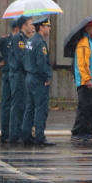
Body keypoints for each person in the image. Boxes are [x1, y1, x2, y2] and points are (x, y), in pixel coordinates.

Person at [21, 17, 54, 146]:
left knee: (30, 108)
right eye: (48, 26)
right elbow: (41, 62)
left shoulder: (30, 40)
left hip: (30, 77)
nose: (50, 28)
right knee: (41, 108)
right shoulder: (40, 42)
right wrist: (46, 77)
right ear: (42, 27)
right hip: (39, 79)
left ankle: (26, 136)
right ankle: (40, 137)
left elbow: (25, 58)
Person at [70, 20, 92, 141]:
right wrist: (87, 79)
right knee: (84, 107)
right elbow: (82, 63)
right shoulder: (84, 43)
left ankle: (89, 130)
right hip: (87, 83)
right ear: (87, 29)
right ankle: (79, 131)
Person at [7, 15, 34, 144]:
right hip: (18, 75)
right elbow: (22, 57)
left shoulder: (27, 38)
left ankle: (22, 132)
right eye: (30, 24)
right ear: (23, 26)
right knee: (17, 105)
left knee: (23, 104)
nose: (32, 26)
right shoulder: (19, 38)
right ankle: (14, 135)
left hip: (23, 74)